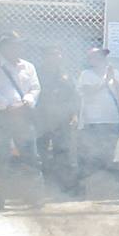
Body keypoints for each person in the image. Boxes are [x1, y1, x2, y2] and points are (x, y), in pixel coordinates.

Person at [0, 31, 42, 211]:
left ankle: (34, 197)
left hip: (23, 115)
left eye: (19, 44)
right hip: (1, 117)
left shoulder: (29, 67)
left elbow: (35, 88)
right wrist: (7, 106)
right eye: (13, 44)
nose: (18, 47)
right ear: (3, 47)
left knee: (31, 157)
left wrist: (26, 102)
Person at [77, 47, 119, 180]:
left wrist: (112, 78)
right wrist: (106, 80)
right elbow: (88, 91)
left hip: (112, 119)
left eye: (101, 56)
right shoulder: (86, 74)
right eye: (94, 57)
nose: (99, 59)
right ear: (90, 60)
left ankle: (110, 181)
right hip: (92, 120)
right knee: (92, 152)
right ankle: (92, 181)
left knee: (110, 152)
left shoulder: (114, 72)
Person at [35, 45, 79, 191]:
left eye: (58, 54)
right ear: (45, 57)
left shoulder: (65, 74)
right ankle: (43, 186)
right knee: (41, 152)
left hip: (62, 119)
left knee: (62, 152)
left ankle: (64, 186)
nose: (57, 57)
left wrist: (74, 115)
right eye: (53, 54)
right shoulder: (37, 74)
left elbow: (74, 96)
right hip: (42, 119)